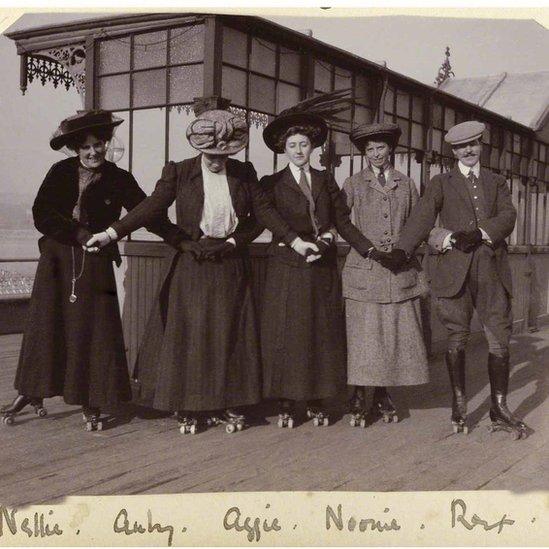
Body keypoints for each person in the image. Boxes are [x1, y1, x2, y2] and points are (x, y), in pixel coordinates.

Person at [85, 97, 262, 434]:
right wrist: (111, 233)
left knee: (228, 334)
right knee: (192, 336)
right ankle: (191, 406)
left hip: (229, 262)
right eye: (211, 155)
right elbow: (150, 208)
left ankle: (227, 404)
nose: (216, 161)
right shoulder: (179, 172)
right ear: (199, 148)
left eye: (223, 155)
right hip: (192, 261)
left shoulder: (244, 174)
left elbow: (260, 218)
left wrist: (236, 242)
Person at [0, 110, 181, 431]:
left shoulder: (119, 178)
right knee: (46, 325)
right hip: (57, 260)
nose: (93, 152)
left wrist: (177, 237)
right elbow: (42, 213)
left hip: (96, 263)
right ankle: (32, 391)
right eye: (85, 147)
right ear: (75, 149)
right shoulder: (59, 172)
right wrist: (77, 233)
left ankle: (92, 398)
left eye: (99, 144)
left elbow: (146, 212)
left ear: (107, 144)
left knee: (94, 332)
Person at [389, 120, 527, 439]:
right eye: (462, 147)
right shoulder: (441, 182)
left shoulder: (496, 182)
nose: (468, 150)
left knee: (499, 339)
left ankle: (499, 408)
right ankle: (459, 404)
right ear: (453, 151)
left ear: (481, 146)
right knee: (457, 338)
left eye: (474, 144)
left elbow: (508, 216)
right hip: (452, 272)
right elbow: (422, 216)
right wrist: (401, 250)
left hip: (491, 271)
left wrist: (479, 233)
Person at [252, 92, 375, 428]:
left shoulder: (325, 181)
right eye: (292, 145)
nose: (299, 150)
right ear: (283, 149)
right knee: (289, 334)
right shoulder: (271, 184)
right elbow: (267, 215)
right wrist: (295, 241)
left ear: (312, 147)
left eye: (304, 144)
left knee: (322, 332)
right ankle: (289, 401)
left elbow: (341, 220)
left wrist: (366, 249)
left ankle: (320, 398)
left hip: (320, 268)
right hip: (287, 268)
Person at [341, 122, 429, 427]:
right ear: (364, 153)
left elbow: (419, 222)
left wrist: (403, 251)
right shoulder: (353, 184)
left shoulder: (406, 183)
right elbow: (341, 222)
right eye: (369, 149)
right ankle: (362, 397)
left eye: (380, 147)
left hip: (397, 272)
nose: (376, 154)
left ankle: (382, 394)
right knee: (365, 338)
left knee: (392, 336)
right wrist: (368, 249)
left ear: (391, 149)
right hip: (365, 270)